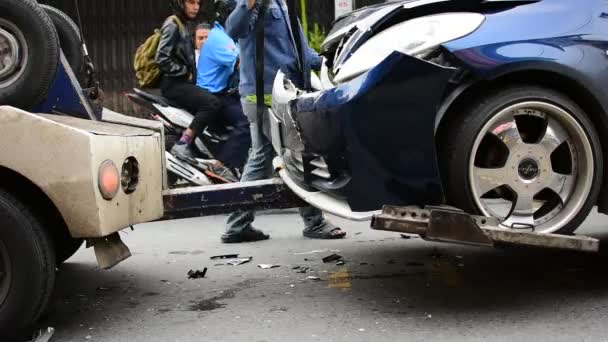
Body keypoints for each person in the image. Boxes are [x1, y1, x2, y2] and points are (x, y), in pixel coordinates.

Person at [221, 0, 347, 243]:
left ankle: (238, 224)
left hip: (288, 91)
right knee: (295, 153)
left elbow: (299, 49)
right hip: (264, 95)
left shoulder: (282, 3)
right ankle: (313, 221)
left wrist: (328, 64)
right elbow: (234, 30)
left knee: (270, 156)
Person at [156, 0, 235, 180]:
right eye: (191, 2)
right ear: (179, 3)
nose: (196, 7)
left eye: (198, 3)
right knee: (212, 103)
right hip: (174, 85)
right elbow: (161, 58)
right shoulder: (172, 24)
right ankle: (184, 143)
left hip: (183, 83)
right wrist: (184, 72)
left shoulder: (184, 25)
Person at [196, 0, 251, 173]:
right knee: (249, 120)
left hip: (225, 93)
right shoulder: (220, 40)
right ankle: (222, 164)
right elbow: (242, 63)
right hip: (214, 97)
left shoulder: (227, 38)